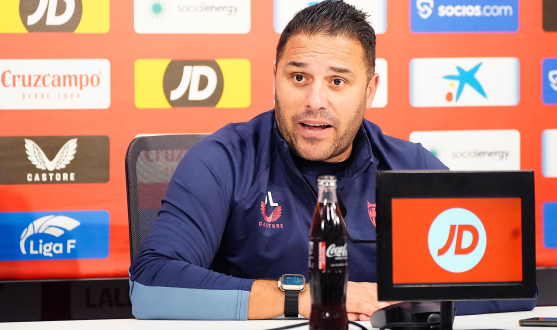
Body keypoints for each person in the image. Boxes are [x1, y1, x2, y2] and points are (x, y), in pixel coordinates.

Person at [129, 1, 536, 321]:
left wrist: (394, 304)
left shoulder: (410, 166)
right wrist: (308, 296)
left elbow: (508, 286)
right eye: (298, 77)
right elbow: (151, 284)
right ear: (275, 77)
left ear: (370, 89)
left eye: (338, 81)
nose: (314, 101)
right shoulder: (223, 159)